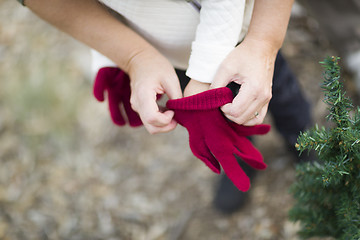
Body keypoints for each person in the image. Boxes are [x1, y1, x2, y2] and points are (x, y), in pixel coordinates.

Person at [19, 0, 312, 213]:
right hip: (167, 54)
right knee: (221, 125)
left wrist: (205, 71)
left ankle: (304, 141)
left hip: (238, 35)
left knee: (279, 93)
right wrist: (123, 57)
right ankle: (242, 159)